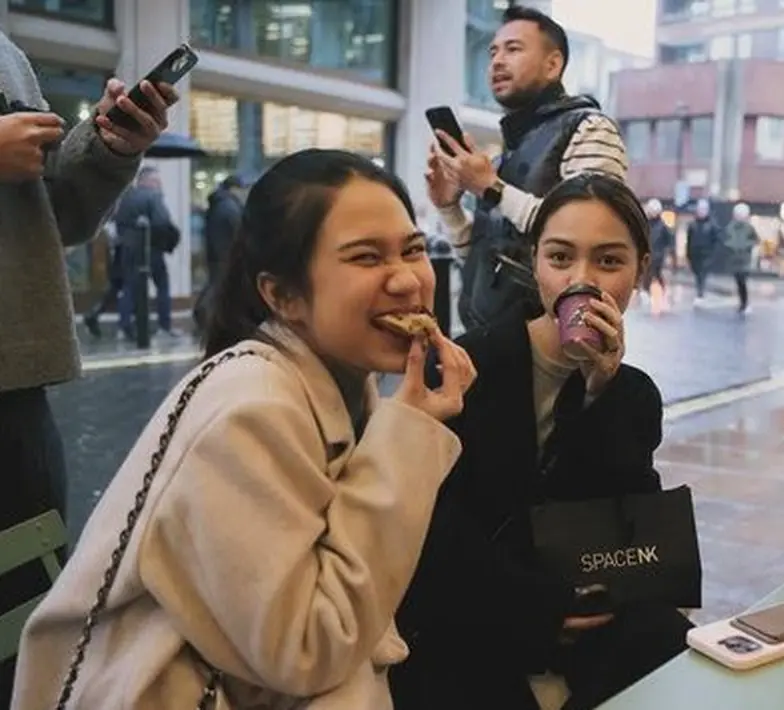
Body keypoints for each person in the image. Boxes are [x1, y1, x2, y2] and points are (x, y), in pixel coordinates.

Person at [12, 149, 476, 709]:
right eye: (365, 257)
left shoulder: (346, 386)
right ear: (281, 295)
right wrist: (411, 433)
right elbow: (305, 648)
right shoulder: (250, 411)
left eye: (413, 249)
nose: (406, 281)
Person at [391, 173, 691, 710]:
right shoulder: (468, 364)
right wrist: (539, 608)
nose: (582, 279)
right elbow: (434, 528)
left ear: (640, 271)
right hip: (482, 601)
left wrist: (604, 394)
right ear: (535, 263)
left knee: (665, 640)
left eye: (609, 261)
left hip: (579, 597)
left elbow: (630, 532)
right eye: (560, 257)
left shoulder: (634, 394)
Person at [0, 28, 177, 703]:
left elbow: (52, 213)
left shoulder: (6, 51)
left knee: (33, 621)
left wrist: (106, 151)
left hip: (19, 379)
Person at [427, 5, 628, 330]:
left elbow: (589, 236)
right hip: (487, 341)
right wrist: (448, 207)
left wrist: (491, 189)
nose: (497, 61)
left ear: (553, 64)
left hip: (548, 346)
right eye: (493, 51)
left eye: (513, 49)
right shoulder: (508, 152)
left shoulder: (590, 128)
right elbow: (481, 261)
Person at [112, 165, 181, 338]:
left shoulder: (125, 197)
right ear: (145, 180)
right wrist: (169, 243)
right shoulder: (153, 196)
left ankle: (124, 326)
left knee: (129, 287)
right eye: (156, 180)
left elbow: (117, 221)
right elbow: (163, 222)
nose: (159, 184)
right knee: (162, 287)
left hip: (128, 250)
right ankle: (164, 327)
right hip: (152, 249)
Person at [193, 172, 250, 332]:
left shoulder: (220, 204)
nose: (243, 193)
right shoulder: (229, 207)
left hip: (218, 252)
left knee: (216, 285)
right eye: (242, 189)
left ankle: (204, 315)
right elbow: (237, 232)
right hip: (225, 253)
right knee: (218, 286)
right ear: (234, 188)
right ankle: (203, 316)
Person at [723, 202, 759, 314]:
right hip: (734, 259)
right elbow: (725, 239)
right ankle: (742, 302)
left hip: (744, 259)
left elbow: (756, 240)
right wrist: (731, 245)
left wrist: (746, 245)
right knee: (738, 281)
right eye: (738, 214)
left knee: (742, 281)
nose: (740, 217)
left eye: (742, 215)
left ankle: (744, 303)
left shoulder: (749, 228)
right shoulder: (730, 227)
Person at [686, 198, 721, 302]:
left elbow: (716, 240)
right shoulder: (692, 225)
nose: (701, 212)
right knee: (697, 272)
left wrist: (713, 254)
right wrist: (688, 253)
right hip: (695, 253)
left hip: (706, 253)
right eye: (700, 210)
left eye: (703, 210)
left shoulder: (712, 225)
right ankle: (699, 291)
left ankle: (700, 293)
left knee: (702, 273)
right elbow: (689, 240)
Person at [644, 198, 674, 315]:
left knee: (654, 273)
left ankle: (661, 292)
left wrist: (669, 252)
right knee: (648, 273)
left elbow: (669, 240)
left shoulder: (662, 226)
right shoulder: (645, 224)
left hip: (658, 255)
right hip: (647, 253)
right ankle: (646, 292)